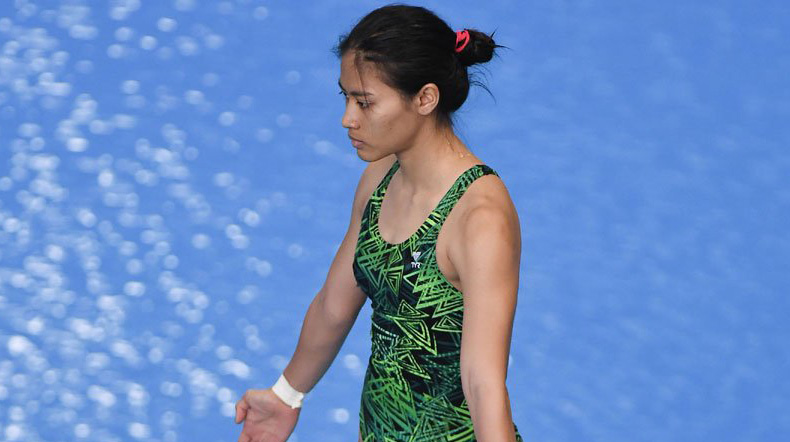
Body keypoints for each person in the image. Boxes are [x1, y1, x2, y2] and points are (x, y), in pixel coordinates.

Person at [235, 4, 524, 441]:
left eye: (365, 102)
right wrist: (285, 394)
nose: (348, 118)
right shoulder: (379, 179)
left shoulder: (480, 219)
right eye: (346, 97)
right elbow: (334, 305)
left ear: (425, 98)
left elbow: (482, 384)